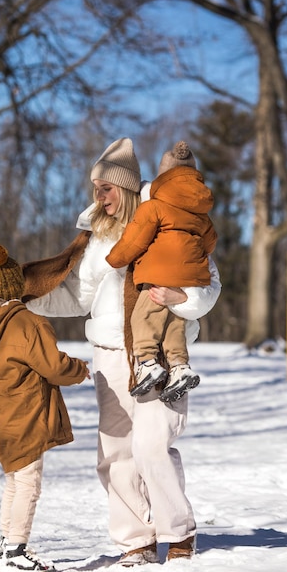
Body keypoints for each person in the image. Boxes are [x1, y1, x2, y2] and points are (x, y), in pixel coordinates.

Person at [23, 138, 221, 566]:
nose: (99, 196)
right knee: (115, 453)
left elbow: (210, 286)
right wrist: (27, 299)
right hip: (110, 353)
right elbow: (77, 297)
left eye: (106, 187)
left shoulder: (175, 220)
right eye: (95, 188)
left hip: (163, 355)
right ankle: (136, 540)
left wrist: (179, 300)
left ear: (128, 187)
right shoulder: (98, 238)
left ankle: (178, 533)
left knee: (152, 446)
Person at [0, 244, 90, 572]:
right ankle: (16, 550)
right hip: (26, 411)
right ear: (14, 287)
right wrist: (81, 368)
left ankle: (7, 543)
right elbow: (55, 367)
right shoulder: (24, 323)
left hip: (1, 415)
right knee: (29, 482)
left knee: (15, 480)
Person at [106, 140, 217, 402]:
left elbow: (134, 240)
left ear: (162, 177)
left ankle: (147, 363)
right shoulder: (201, 215)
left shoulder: (154, 206)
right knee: (175, 322)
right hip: (190, 279)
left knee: (143, 318)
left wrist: (115, 259)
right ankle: (179, 367)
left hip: (158, 275)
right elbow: (210, 242)